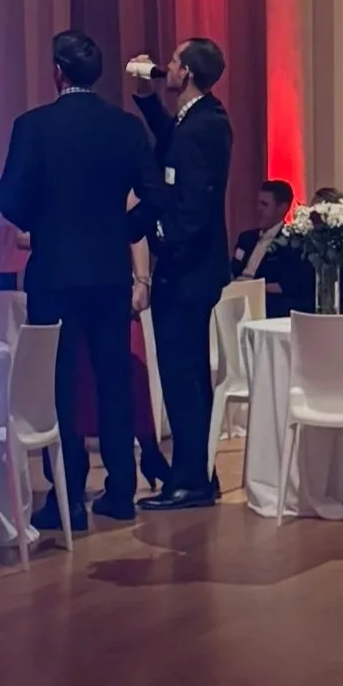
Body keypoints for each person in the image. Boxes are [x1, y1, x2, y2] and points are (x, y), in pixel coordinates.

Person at [0, 29, 156, 530]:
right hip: (109, 272)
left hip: (55, 273)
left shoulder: (34, 126)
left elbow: (10, 199)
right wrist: (121, 228)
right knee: (112, 381)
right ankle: (122, 491)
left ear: (57, 71)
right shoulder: (125, 128)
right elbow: (154, 196)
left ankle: (67, 500)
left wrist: (41, 224)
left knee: (59, 385)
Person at [128, 37, 233, 509]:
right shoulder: (200, 119)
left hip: (188, 270)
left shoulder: (203, 127)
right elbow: (172, 141)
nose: (165, 66)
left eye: (171, 61)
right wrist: (149, 100)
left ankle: (190, 479)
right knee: (185, 373)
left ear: (186, 73)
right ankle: (195, 473)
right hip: (194, 267)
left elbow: (193, 205)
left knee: (182, 374)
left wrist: (159, 236)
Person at [232, 178, 314, 317]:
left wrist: (254, 288)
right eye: (258, 203)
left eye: (264, 204)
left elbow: (287, 284)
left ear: (282, 208)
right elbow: (233, 269)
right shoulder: (246, 238)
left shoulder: (292, 242)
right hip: (234, 296)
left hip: (263, 301)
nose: (258, 209)